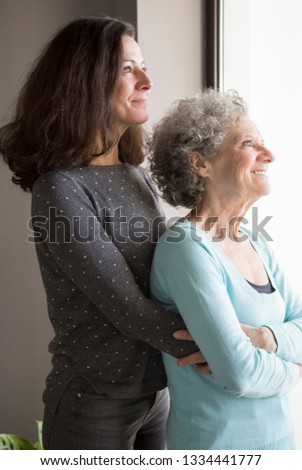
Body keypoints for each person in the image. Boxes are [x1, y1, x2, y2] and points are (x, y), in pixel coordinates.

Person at [0, 16, 200, 450]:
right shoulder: (61, 188)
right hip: (94, 401)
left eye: (142, 66)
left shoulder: (136, 176)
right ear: (83, 82)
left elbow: (163, 280)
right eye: (127, 68)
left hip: (158, 394)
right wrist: (227, 349)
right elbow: (128, 308)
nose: (146, 80)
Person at [149, 88, 302, 450]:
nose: (269, 154)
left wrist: (266, 338)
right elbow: (241, 374)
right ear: (200, 164)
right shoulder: (185, 246)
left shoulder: (254, 239)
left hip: (281, 445)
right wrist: (297, 370)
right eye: (249, 143)